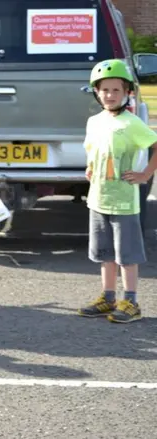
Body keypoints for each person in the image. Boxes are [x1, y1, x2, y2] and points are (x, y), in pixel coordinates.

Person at [78, 59, 157, 324]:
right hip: (98, 200)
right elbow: (94, 150)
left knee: (127, 256)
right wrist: (91, 168)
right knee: (105, 254)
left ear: (127, 93)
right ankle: (108, 297)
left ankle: (131, 301)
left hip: (124, 203)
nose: (110, 95)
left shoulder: (131, 123)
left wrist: (145, 174)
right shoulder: (94, 122)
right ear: (96, 93)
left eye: (116, 90)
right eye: (105, 90)